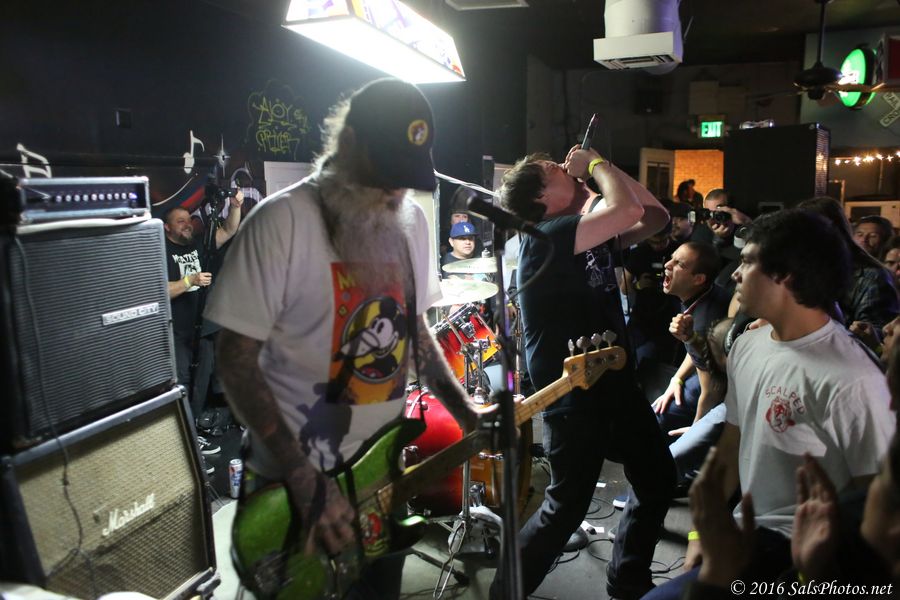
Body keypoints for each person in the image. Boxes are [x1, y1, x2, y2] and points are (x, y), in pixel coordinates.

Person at [205, 78, 481, 599]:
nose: (396, 193)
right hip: (293, 487)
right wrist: (303, 477)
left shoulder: (411, 222)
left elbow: (415, 331)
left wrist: (465, 411)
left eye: (406, 180)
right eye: (386, 176)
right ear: (348, 143)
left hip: (381, 475)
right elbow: (235, 360)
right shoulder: (281, 221)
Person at [644, 208, 895, 600]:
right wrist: (702, 532)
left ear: (785, 276)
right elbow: (731, 446)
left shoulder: (855, 380)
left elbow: (877, 512)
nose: (736, 274)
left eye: (747, 262)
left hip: (799, 554)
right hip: (745, 530)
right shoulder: (748, 344)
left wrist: (816, 575)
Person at [490, 147, 675, 599]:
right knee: (565, 507)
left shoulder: (586, 231)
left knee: (656, 480)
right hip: (573, 389)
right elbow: (629, 210)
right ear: (541, 198)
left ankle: (628, 579)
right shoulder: (547, 234)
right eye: (553, 170)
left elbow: (654, 217)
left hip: (614, 379)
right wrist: (594, 165)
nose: (564, 168)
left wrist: (603, 169)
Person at [165, 191, 243, 457]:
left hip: (204, 326)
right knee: (183, 381)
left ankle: (194, 431)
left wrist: (235, 206)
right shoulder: (161, 251)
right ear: (167, 227)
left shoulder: (199, 245)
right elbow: (159, 290)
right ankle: (182, 439)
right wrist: (190, 281)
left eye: (188, 220)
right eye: (180, 222)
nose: (187, 225)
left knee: (202, 380)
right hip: (178, 330)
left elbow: (229, 230)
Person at [652, 242, 730, 436]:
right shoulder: (702, 294)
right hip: (708, 371)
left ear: (698, 279)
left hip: (722, 387)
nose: (667, 265)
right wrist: (677, 379)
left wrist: (696, 432)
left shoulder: (704, 321)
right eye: (672, 258)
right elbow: (696, 348)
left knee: (658, 419)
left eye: (679, 264)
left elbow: (711, 389)